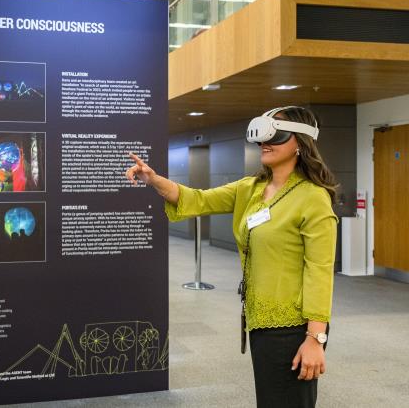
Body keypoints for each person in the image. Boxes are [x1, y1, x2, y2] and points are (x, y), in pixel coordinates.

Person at [126, 106, 338, 408]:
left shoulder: (312, 198)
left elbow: (320, 271)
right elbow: (197, 199)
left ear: (301, 144)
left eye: (277, 134)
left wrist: (316, 339)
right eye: (264, 134)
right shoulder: (252, 188)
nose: (266, 142)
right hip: (260, 321)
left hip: (292, 327)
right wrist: (154, 179)